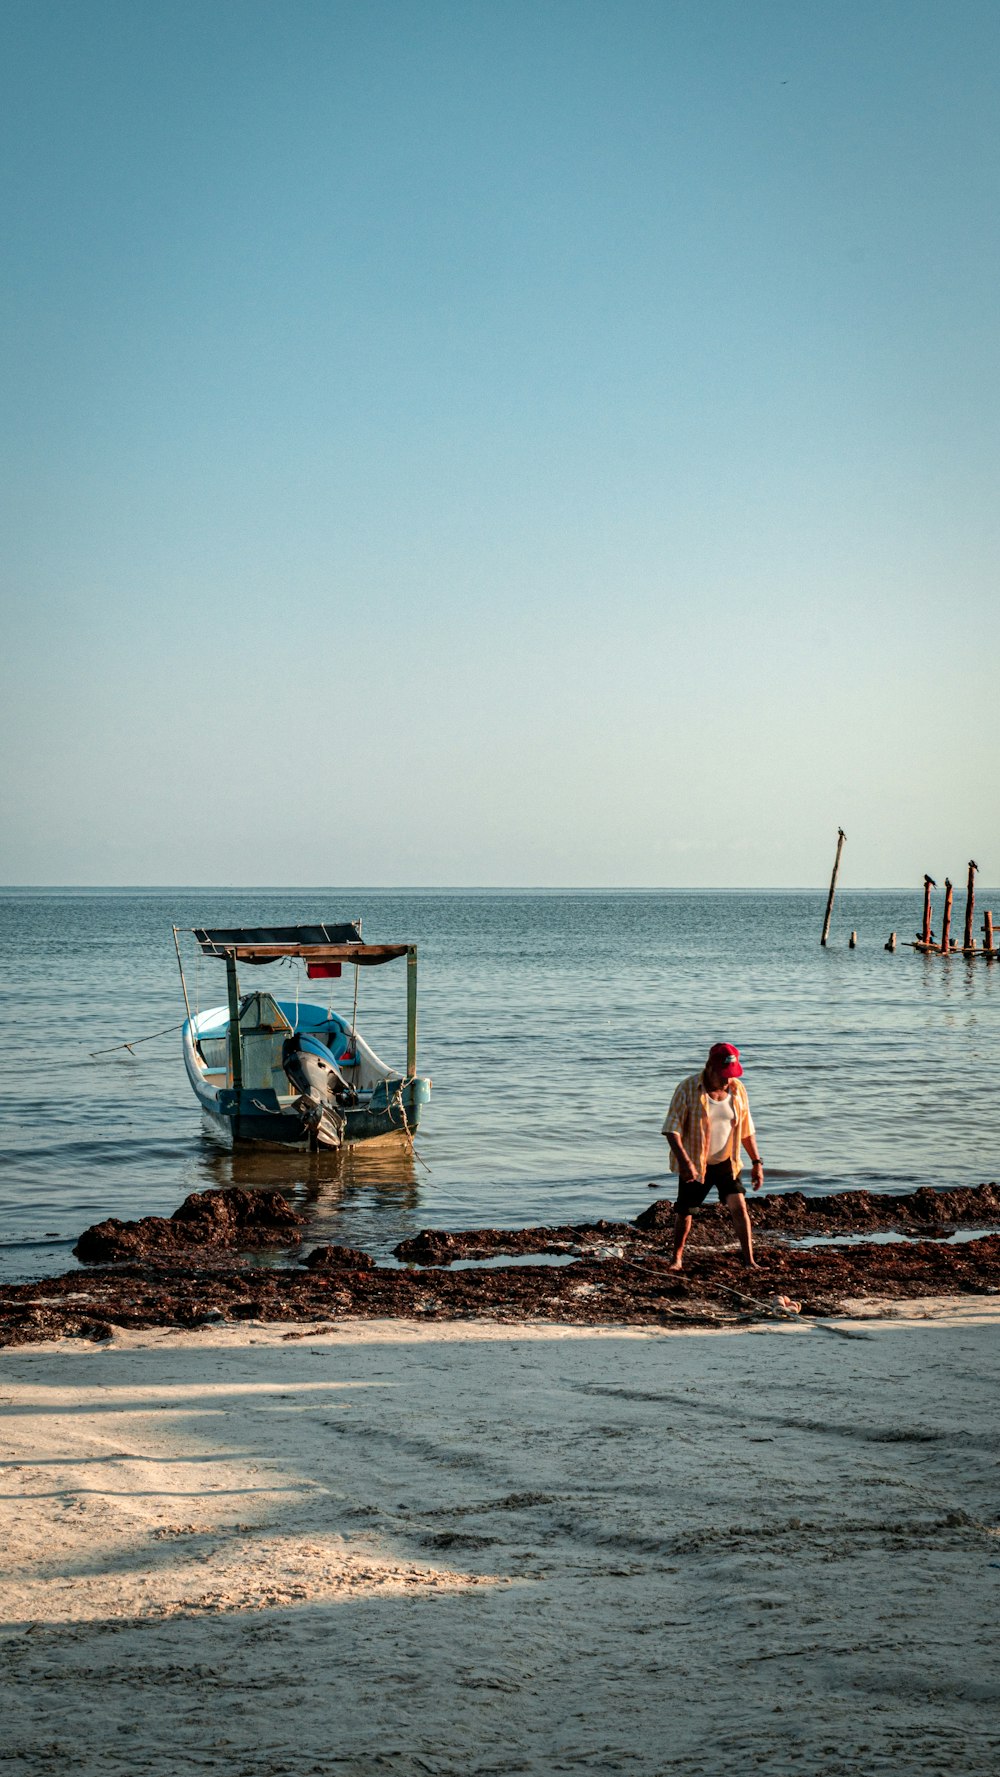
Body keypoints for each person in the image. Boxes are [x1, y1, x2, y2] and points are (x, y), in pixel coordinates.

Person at [661, 1042, 764, 1270]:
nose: (728, 1080)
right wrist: (685, 1162)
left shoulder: (738, 1090)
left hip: (728, 1162)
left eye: (732, 1074)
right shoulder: (687, 1089)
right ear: (709, 1066)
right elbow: (671, 1129)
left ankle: (749, 1260)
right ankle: (677, 1258)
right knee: (686, 1212)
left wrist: (757, 1162)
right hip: (696, 1164)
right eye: (724, 1074)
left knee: (740, 1208)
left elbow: (747, 1129)